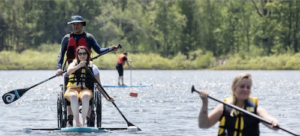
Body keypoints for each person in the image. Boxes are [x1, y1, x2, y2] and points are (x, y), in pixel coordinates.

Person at [56, 15, 118, 127]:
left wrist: (109, 48)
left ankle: (87, 117)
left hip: (87, 67)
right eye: (73, 24)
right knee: (70, 89)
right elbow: (61, 54)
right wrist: (59, 68)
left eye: (78, 24)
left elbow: (99, 50)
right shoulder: (66, 38)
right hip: (72, 68)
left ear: (82, 25)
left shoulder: (89, 37)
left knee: (87, 89)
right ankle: (70, 116)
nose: (75, 26)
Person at [198, 73, 279, 136]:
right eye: (242, 86)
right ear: (234, 88)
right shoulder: (223, 107)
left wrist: (274, 123)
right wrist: (205, 102)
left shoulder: (257, 109)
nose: (245, 89)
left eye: (248, 87)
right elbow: (203, 125)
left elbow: (268, 119)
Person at [65, 46, 113, 127]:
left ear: (88, 55)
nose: (82, 55)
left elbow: (98, 85)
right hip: (72, 90)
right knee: (73, 96)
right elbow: (68, 72)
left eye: (84, 53)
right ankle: (77, 123)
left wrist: (106, 97)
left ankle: (83, 122)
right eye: (80, 54)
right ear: (77, 55)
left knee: (86, 95)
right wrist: (79, 66)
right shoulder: (72, 64)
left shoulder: (93, 67)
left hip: (85, 90)